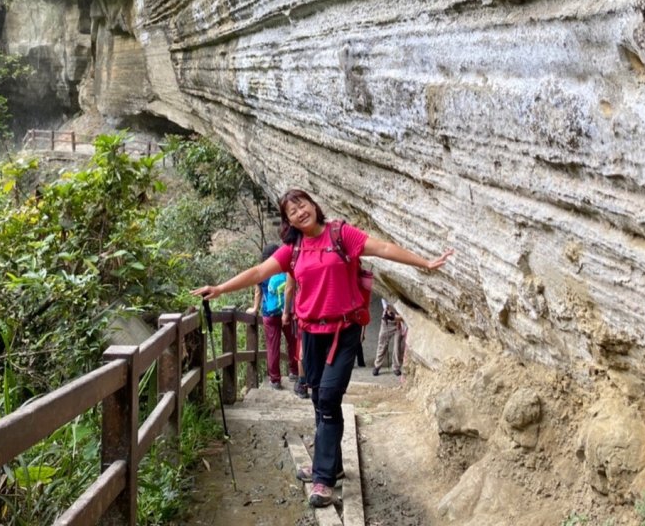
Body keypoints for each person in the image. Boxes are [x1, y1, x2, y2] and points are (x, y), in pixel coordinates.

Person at [193, 188, 453, 508]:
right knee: (319, 398)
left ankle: (323, 480)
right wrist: (219, 288)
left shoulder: (341, 234)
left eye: (302, 204)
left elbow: (383, 247)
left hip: (345, 331)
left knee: (329, 397)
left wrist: (424, 262)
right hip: (311, 333)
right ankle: (333, 465)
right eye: (292, 211)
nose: (300, 212)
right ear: (288, 221)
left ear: (313, 205)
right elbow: (259, 272)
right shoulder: (293, 249)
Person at [247, 243, 298, 389]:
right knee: (292, 342)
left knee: (272, 346)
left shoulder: (262, 271)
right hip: (287, 312)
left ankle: (275, 379)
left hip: (269, 314)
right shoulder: (286, 268)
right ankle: (294, 371)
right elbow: (292, 288)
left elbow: (258, 292)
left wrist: (255, 308)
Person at [372, 299, 403, 376]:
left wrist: (398, 319)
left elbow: (403, 316)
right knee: (382, 344)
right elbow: (387, 310)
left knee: (398, 346)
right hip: (387, 321)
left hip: (399, 322)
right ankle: (377, 365)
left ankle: (396, 367)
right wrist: (388, 311)